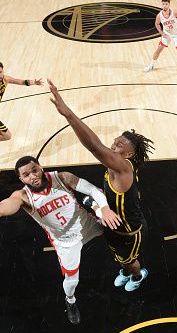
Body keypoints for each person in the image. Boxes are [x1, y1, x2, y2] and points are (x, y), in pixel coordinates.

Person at [0, 156, 121, 324]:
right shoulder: (22, 196)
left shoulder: (62, 177)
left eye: (34, 170)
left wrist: (104, 209)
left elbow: (93, 189)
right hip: (66, 242)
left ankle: (96, 209)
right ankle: (70, 300)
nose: (32, 176)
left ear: (40, 167)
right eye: (26, 174)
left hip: (87, 224)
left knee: (121, 229)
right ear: (21, 179)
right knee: (72, 280)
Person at [47, 79, 155, 292]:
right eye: (114, 141)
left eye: (119, 145)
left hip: (129, 231)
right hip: (113, 223)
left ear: (129, 154)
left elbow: (95, 147)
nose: (113, 146)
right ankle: (125, 269)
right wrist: (100, 207)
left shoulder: (123, 167)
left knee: (129, 261)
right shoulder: (117, 164)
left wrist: (68, 114)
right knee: (119, 258)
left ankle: (137, 274)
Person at [143, 0, 177, 75]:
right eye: (163, 4)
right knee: (159, 50)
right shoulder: (159, 15)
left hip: (176, 34)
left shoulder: (175, 12)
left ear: (169, 4)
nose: (164, 6)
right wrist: (161, 33)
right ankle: (151, 65)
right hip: (166, 34)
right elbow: (156, 24)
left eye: (166, 4)